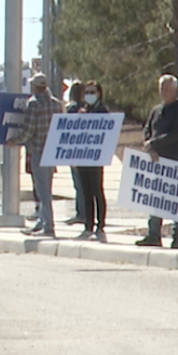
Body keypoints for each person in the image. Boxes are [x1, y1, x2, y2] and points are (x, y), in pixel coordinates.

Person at [137, 74, 178, 248]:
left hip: (176, 161)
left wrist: (153, 143)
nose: (164, 92)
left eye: (167, 88)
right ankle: (153, 235)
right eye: (161, 88)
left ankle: (177, 238)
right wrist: (150, 147)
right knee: (155, 199)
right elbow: (147, 130)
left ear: (175, 90)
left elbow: (175, 135)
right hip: (157, 162)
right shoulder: (156, 110)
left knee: (176, 202)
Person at [11, 73, 62, 238]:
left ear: (35, 86)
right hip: (52, 152)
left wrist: (16, 140)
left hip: (38, 151)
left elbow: (28, 130)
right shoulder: (56, 104)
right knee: (47, 187)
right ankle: (42, 221)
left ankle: (48, 226)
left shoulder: (33, 104)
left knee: (42, 191)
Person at [73, 81, 110, 242]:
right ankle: (88, 226)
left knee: (97, 191)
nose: (89, 95)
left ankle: (100, 227)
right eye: (87, 92)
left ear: (99, 93)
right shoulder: (82, 110)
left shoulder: (102, 111)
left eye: (92, 92)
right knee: (86, 192)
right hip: (83, 157)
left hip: (96, 157)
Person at [63, 82, 86, 226]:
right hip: (87, 149)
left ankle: (81, 213)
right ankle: (85, 213)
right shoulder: (87, 109)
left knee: (79, 184)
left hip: (75, 150)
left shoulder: (71, 109)